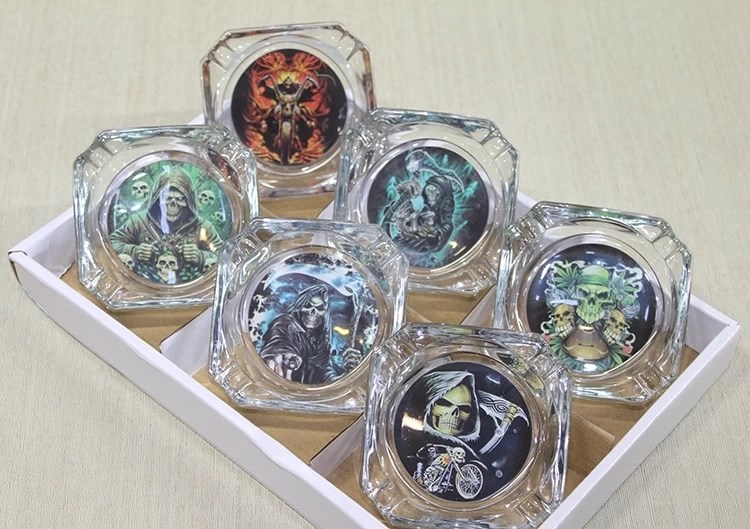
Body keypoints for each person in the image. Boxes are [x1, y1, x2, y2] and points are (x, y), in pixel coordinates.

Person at [110, 167, 222, 283]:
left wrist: (200, 256)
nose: (173, 204)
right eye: (167, 198)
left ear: (189, 201)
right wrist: (135, 251)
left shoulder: (202, 226)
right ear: (157, 199)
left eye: (180, 199)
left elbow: (224, 253)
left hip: (195, 288)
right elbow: (111, 243)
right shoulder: (138, 221)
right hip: (139, 285)